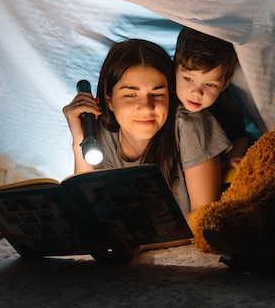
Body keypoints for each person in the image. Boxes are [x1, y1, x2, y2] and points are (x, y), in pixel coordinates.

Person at [63, 39, 230, 260]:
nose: (147, 107)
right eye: (130, 95)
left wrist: (138, 243)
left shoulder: (190, 124)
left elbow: (204, 215)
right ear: (109, 100)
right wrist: (79, 139)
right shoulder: (99, 131)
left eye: (158, 94)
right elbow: (88, 209)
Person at [174, 26, 251, 185]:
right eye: (188, 79)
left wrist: (231, 158)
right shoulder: (164, 93)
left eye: (209, 85)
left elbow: (241, 137)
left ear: (224, 84)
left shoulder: (225, 105)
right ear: (174, 69)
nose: (196, 93)